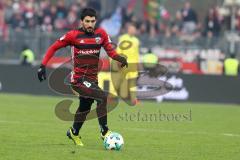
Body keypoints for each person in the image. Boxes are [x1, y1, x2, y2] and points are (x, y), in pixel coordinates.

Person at [37, 8, 128, 146]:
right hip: (78, 80)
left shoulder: (101, 34)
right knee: (102, 96)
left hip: (92, 79)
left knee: (85, 107)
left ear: (95, 21)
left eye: (92, 21)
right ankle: (105, 132)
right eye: (87, 21)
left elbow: (110, 51)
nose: (90, 24)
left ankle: (74, 132)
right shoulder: (73, 35)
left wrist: (120, 58)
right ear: (82, 22)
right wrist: (43, 65)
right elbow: (54, 47)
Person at [112, 22, 140, 105]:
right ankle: (112, 97)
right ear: (128, 30)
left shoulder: (136, 40)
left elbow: (136, 53)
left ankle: (133, 99)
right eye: (131, 29)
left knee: (133, 83)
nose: (133, 31)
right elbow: (119, 51)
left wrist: (138, 64)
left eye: (134, 30)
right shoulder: (123, 38)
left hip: (133, 65)